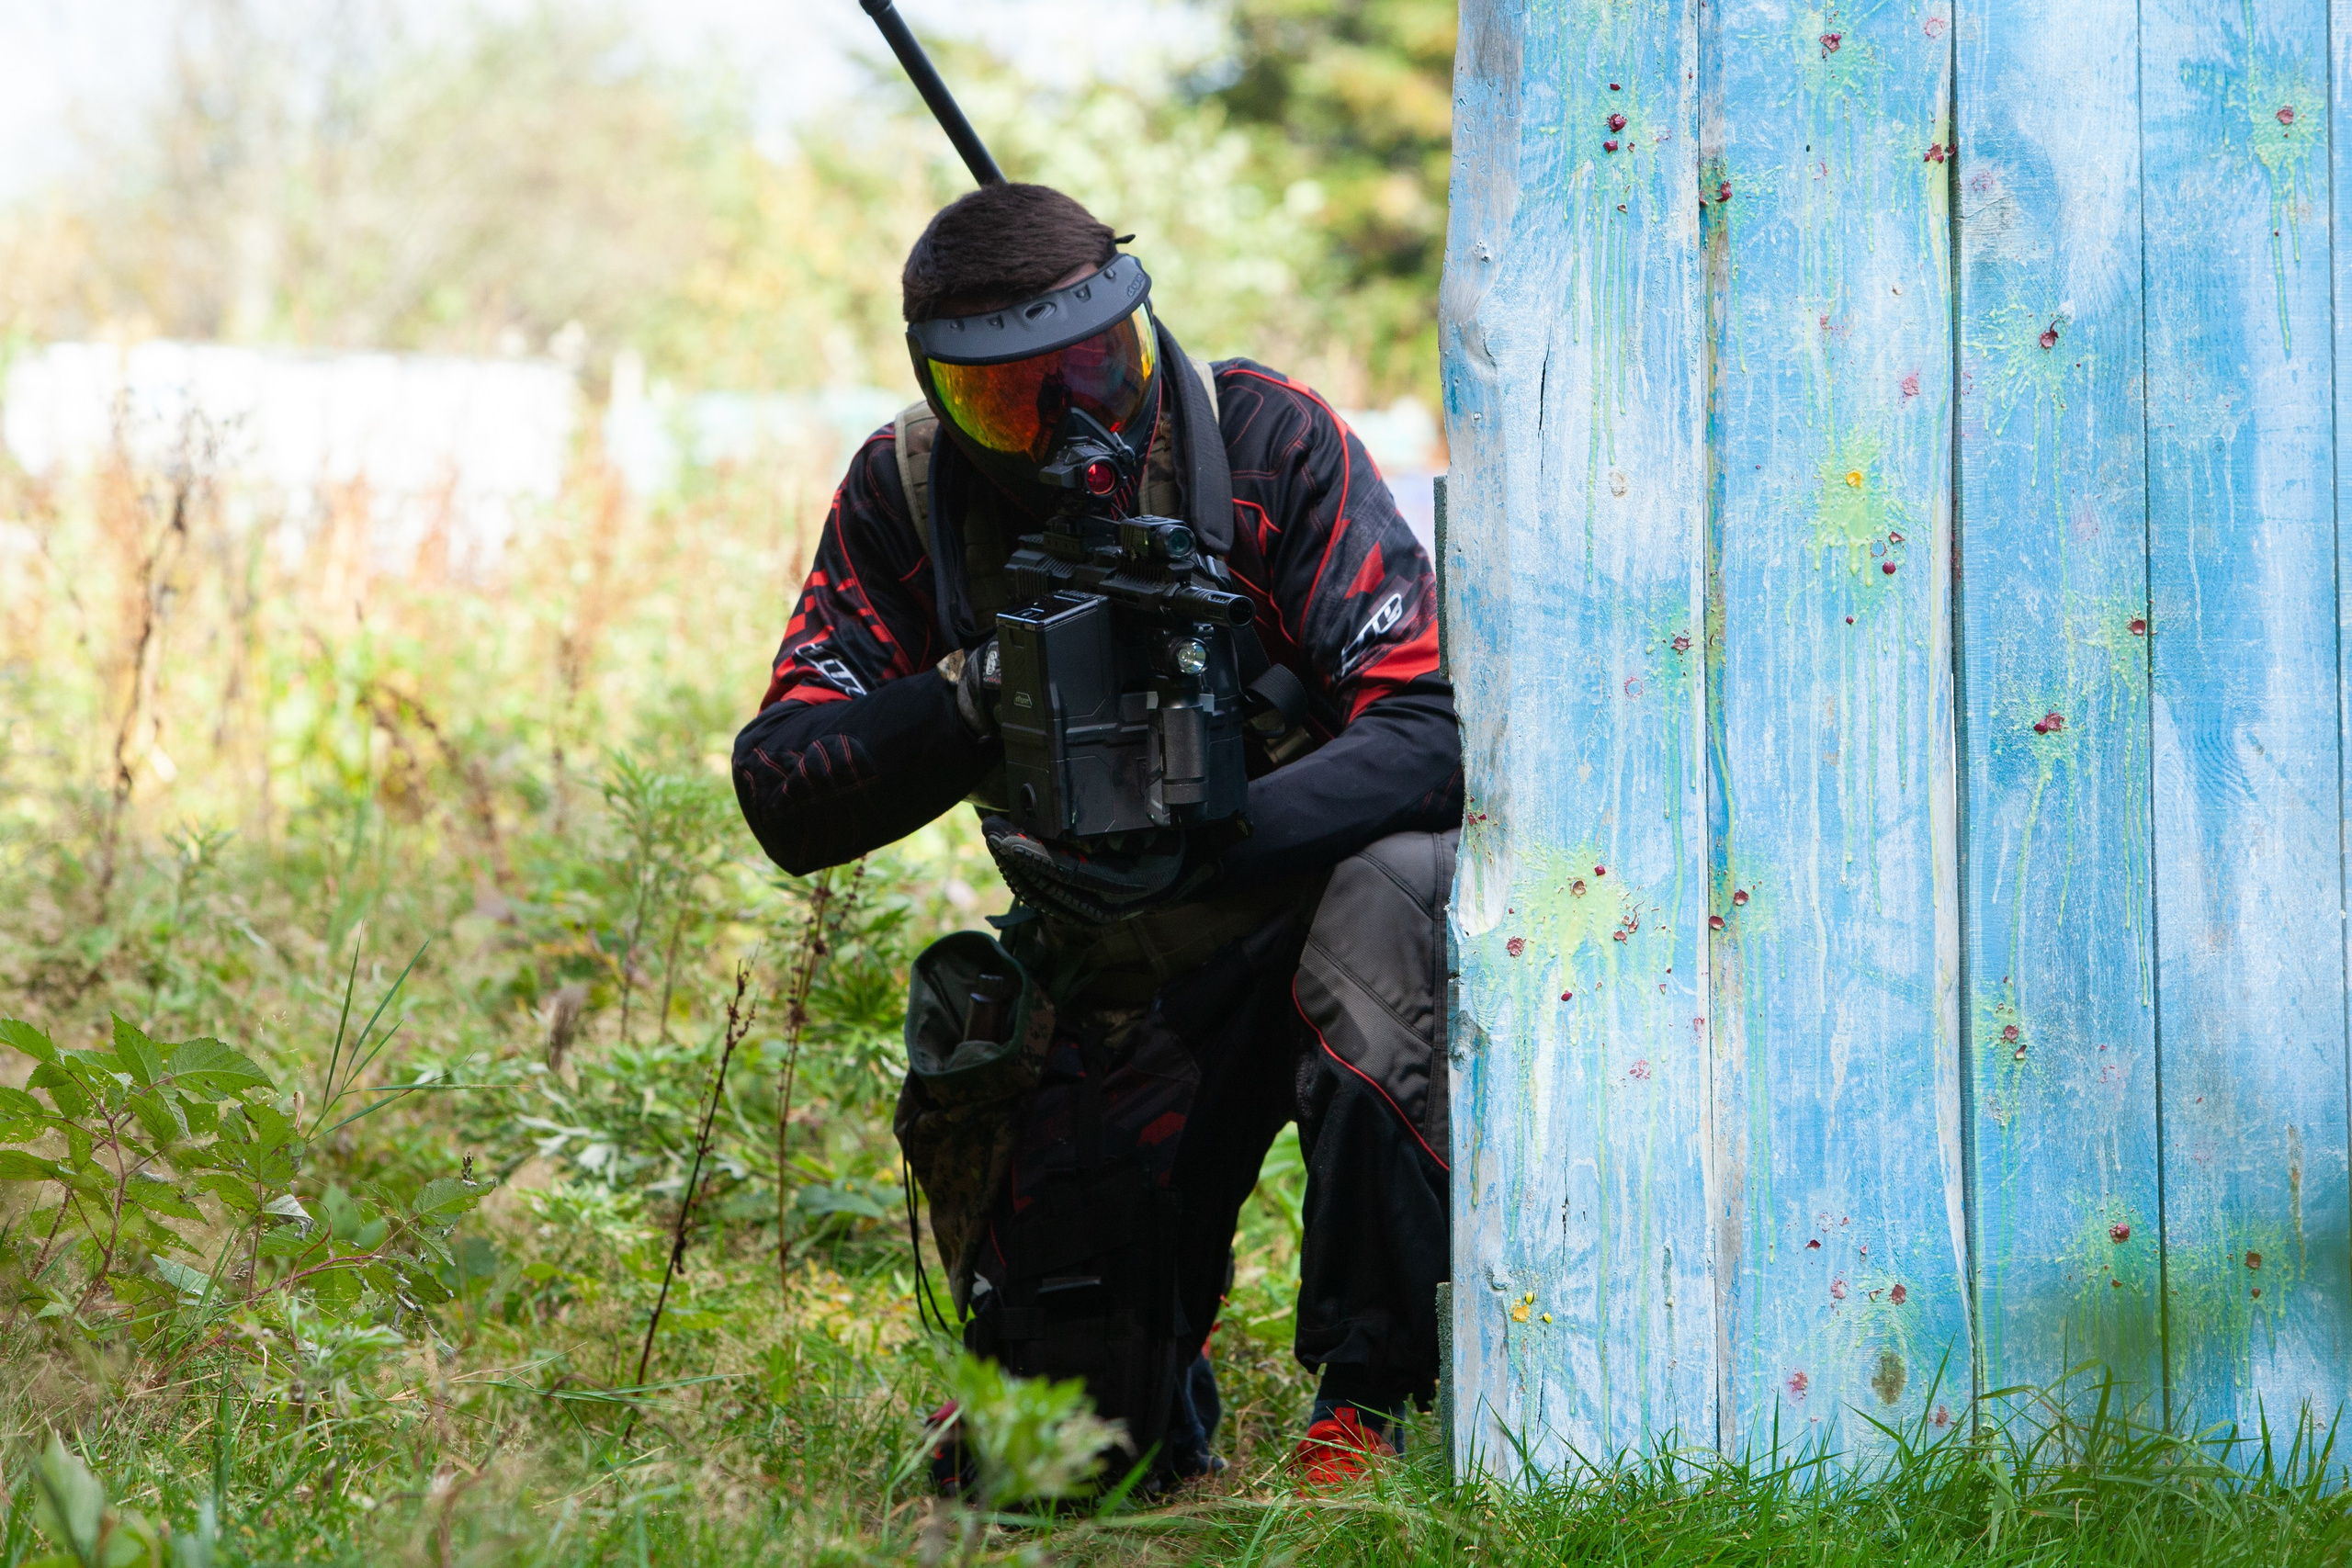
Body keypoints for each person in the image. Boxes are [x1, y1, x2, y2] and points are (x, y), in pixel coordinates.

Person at [732, 182, 1461, 1487]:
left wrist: (1232, 836)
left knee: (1390, 910)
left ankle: (1372, 1397)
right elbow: (784, 789)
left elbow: (1424, 725)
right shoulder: (911, 500)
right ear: (943, 393)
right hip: (1123, 965)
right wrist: (973, 692)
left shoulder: (1263, 443)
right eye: (1012, 397)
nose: (1073, 422)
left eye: (1097, 367)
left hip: (1301, 898)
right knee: (1055, 1468)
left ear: (1140, 332)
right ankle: (1141, 1382)